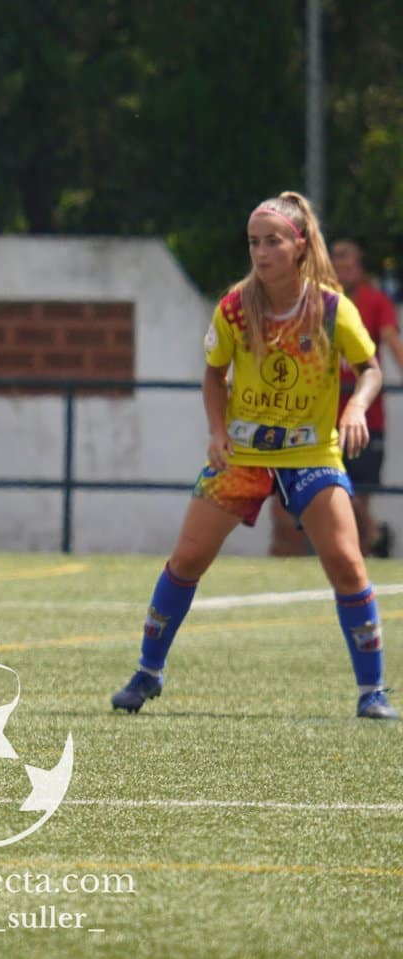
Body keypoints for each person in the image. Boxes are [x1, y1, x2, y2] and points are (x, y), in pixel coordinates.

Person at [110, 192, 396, 721]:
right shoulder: (236, 309)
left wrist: (356, 404)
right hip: (244, 455)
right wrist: (217, 431)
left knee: (347, 564)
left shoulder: (333, 309)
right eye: (254, 242)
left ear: (300, 245)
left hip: (313, 453)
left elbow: (372, 367)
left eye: (272, 241)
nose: (261, 253)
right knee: (188, 558)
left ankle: (373, 692)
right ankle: (148, 672)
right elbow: (214, 374)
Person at [333, 239, 403, 556]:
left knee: (359, 492)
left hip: (366, 416)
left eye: (348, 262)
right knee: (335, 487)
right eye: (336, 261)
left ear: (360, 267)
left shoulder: (376, 303)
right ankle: (372, 537)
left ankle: (369, 541)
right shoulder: (323, 302)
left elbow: (391, 339)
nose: (341, 267)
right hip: (327, 416)